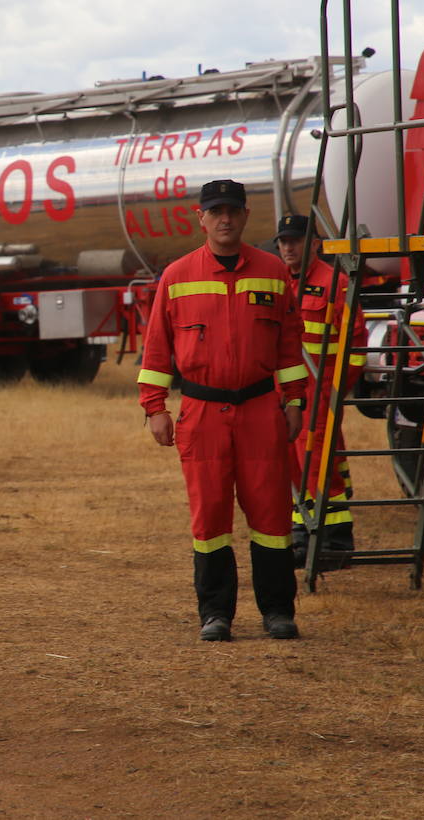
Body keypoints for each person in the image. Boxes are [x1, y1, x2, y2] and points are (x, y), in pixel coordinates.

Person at [138, 179, 308, 642]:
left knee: (271, 517)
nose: (224, 219)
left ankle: (277, 611)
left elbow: (290, 345)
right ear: (202, 218)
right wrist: (155, 407)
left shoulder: (274, 272)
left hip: (259, 409)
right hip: (202, 412)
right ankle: (216, 614)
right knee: (210, 518)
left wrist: (294, 401)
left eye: (232, 210)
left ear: (245, 215)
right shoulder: (176, 276)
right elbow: (156, 351)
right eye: (215, 212)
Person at [275, 213, 368, 563]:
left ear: (315, 243)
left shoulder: (335, 283)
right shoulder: (277, 282)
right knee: (293, 466)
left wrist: (336, 389)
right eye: (283, 242)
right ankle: (304, 534)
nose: (288, 247)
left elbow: (355, 343)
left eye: (295, 240)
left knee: (319, 465)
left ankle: (334, 540)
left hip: (320, 391)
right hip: (285, 393)